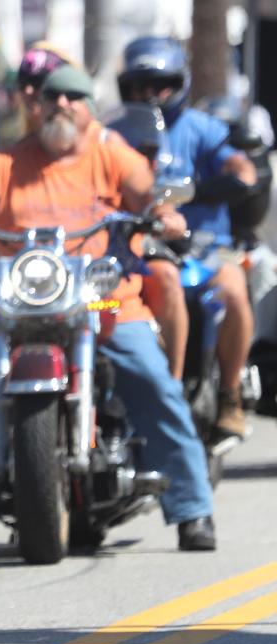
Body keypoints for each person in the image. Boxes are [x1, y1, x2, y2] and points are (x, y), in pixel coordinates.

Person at [0, 65, 217, 551]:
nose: (62, 105)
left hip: (103, 300)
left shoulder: (112, 155)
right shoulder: (6, 162)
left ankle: (192, 509)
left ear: (89, 110)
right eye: (53, 98)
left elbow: (147, 193)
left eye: (74, 98)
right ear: (35, 107)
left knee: (153, 381)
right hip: (14, 306)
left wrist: (163, 215)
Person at [118, 36, 257, 436]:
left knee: (233, 293)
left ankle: (229, 396)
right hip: (140, 249)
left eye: (159, 83)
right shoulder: (117, 135)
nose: (150, 94)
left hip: (206, 247)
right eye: (140, 85)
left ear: (179, 83)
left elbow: (242, 170)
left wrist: (203, 188)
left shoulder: (202, 128)